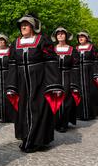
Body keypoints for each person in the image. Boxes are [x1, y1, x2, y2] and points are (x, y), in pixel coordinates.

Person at [6, 14, 64, 153]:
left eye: (26, 24)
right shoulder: (16, 43)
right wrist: (11, 86)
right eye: (21, 25)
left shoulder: (42, 41)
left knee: (38, 110)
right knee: (24, 110)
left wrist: (54, 84)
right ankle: (27, 137)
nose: (23, 27)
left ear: (32, 27)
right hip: (22, 84)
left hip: (40, 83)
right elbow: (13, 64)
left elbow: (51, 62)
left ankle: (38, 140)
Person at [51, 27, 80, 133]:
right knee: (55, 100)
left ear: (66, 36)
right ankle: (55, 122)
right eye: (58, 34)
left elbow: (75, 66)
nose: (60, 35)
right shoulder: (52, 50)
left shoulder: (72, 50)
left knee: (66, 100)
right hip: (55, 77)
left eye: (62, 34)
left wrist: (74, 83)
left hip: (68, 76)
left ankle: (64, 123)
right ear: (56, 36)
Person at [75, 31, 98, 121]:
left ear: (87, 38)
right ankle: (80, 114)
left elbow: (97, 61)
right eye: (79, 37)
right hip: (79, 74)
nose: (81, 38)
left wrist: (97, 75)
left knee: (91, 92)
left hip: (90, 73)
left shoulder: (92, 48)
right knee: (79, 93)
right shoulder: (75, 49)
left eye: (83, 36)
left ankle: (91, 113)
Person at [0, 34, 15, 123]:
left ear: (5, 41)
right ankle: (0, 116)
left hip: (8, 75)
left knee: (8, 96)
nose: (1, 42)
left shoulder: (10, 51)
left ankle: (10, 116)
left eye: (2, 40)